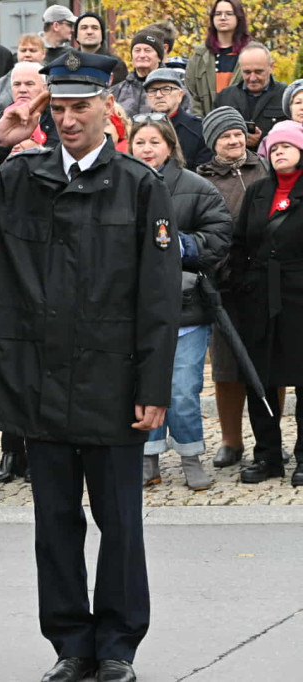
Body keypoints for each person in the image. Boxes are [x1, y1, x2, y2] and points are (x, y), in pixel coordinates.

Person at [0, 52, 182, 682]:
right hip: (37, 381)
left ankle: (119, 646)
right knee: (55, 524)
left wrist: (154, 386)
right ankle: (71, 644)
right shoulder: (20, 175)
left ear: (108, 108)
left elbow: (157, 296)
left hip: (111, 382)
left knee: (119, 523)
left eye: (80, 107)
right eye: (59, 108)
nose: (68, 119)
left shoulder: (138, 183)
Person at [129, 115, 231, 490]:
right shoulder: (118, 185)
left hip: (185, 306)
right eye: (140, 142)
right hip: (134, 309)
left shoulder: (197, 187)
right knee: (142, 387)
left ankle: (190, 454)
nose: (147, 149)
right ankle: (148, 457)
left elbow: (218, 237)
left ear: (170, 147)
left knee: (183, 389)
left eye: (154, 142)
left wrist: (174, 246)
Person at [228, 120, 303, 487]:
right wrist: (241, 285)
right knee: (259, 379)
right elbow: (240, 243)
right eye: (273, 148)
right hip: (259, 298)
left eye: (286, 147)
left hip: (299, 297)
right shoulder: (258, 191)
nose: (279, 153)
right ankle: (268, 455)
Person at [195, 107, 270, 469]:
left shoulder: (266, 169)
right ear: (214, 143)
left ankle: (267, 440)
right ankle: (230, 440)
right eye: (225, 135)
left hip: (266, 283)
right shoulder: (203, 180)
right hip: (223, 283)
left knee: (269, 363)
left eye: (237, 133)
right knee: (226, 367)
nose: (234, 140)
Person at [214, 42, 287, 151]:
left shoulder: (286, 96)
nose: (252, 78)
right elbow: (212, 135)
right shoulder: (225, 97)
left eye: (258, 72)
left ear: (271, 67)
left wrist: (262, 140)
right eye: (247, 72)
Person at [185, 0, 250, 117]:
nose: (223, 18)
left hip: (243, 126)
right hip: (205, 125)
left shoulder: (252, 53)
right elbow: (191, 95)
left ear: (238, 17)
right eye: (218, 14)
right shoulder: (199, 56)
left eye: (229, 13)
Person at [143, 69, 213, 169]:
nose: (158, 95)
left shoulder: (198, 129)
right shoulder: (138, 128)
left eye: (166, 89)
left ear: (180, 95)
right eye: (153, 90)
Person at [0, 34, 46, 117]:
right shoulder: (1, 83)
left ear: (43, 53)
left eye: (32, 50)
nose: (27, 54)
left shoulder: (52, 80)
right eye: (23, 50)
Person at [110, 30, 166, 117]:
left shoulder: (172, 90)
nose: (142, 55)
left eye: (147, 50)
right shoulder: (116, 92)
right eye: (137, 50)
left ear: (159, 57)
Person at [74, 12, 128, 86]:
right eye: (84, 28)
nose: (89, 32)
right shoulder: (67, 64)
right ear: (76, 36)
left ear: (102, 35)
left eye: (95, 28)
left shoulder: (115, 65)